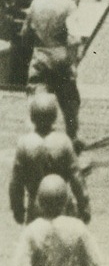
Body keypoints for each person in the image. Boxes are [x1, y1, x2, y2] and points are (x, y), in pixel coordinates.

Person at [22, 0, 83, 150]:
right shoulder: (69, 4)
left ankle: (36, 140)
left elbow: (25, 32)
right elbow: (74, 39)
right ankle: (71, 139)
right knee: (70, 101)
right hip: (60, 57)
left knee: (37, 100)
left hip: (40, 56)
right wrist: (73, 64)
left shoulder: (36, 2)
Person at [10, 93, 90, 226]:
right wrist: (84, 207)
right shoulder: (63, 142)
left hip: (36, 208)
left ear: (32, 116)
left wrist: (17, 210)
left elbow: (16, 183)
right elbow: (77, 178)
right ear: (54, 115)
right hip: (62, 206)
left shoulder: (24, 143)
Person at [12, 174, 99, 266]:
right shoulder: (77, 227)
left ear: (39, 202)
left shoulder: (32, 230)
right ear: (65, 201)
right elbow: (93, 264)